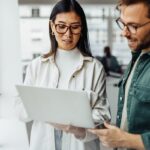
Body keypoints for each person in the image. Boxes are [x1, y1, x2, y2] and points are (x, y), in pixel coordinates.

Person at [15, 0, 111, 150]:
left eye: (75, 27)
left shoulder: (95, 68)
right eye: (61, 26)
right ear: (52, 27)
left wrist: (76, 126)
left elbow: (103, 115)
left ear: (82, 29)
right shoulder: (36, 66)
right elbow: (20, 110)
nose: (68, 34)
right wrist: (41, 106)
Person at [89, 0, 150, 149]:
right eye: (123, 23)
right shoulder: (137, 57)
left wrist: (125, 140)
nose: (124, 33)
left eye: (133, 26)